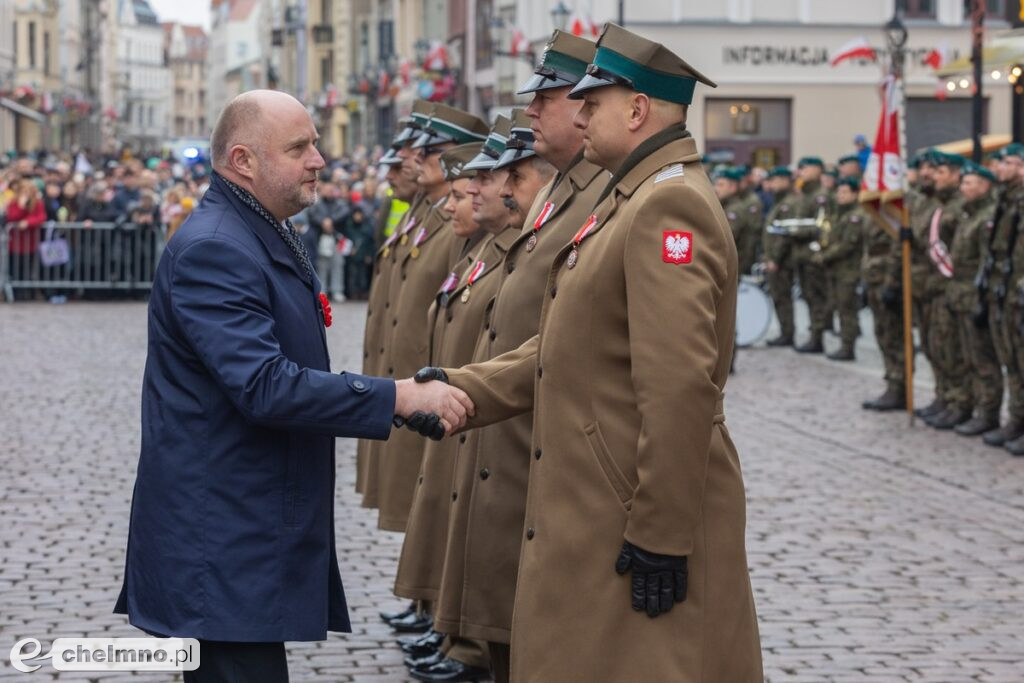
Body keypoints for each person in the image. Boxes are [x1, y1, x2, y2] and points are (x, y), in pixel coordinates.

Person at [416, 23, 762, 682]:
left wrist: (661, 532)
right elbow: (570, 345)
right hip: (597, 507)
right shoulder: (629, 199)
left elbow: (679, 387)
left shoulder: (668, 206)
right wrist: (464, 387)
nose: (576, 112)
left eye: (592, 102)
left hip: (627, 514)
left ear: (636, 110)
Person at [112, 90, 473, 683]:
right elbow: (264, 385)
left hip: (242, 528)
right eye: (299, 147)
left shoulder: (251, 228)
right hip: (222, 537)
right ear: (243, 160)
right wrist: (399, 397)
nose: (319, 160)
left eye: (314, 143)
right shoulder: (216, 248)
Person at [400, 136, 522, 682]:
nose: (463, 198)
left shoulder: (516, 241)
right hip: (465, 403)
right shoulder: (489, 244)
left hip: (496, 414)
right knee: (454, 519)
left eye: (481, 183)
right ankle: (450, 625)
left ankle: (466, 639)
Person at [950, 162, 1001, 436]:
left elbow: (985, 262)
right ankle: (974, 407)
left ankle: (989, 413)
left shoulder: (986, 217)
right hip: (961, 294)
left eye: (970, 183)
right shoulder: (968, 215)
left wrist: (982, 299)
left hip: (975, 296)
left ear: (985, 186)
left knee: (983, 359)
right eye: (964, 182)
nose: (964, 187)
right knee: (968, 355)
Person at [924, 153, 971, 429]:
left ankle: (962, 402)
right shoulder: (939, 205)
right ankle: (947, 397)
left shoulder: (958, 208)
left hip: (954, 288)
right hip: (934, 286)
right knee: (938, 346)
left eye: (940, 172)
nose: (934, 176)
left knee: (957, 350)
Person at [983, 144, 1024, 448]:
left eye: (1008, 163)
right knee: (1010, 357)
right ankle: (1016, 419)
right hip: (1005, 288)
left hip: (1018, 290)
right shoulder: (1005, 200)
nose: (1001, 168)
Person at [811, 176, 865, 360]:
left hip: (848, 270)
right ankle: (845, 343)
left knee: (847, 309)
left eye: (844, 192)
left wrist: (824, 256)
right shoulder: (839, 214)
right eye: (838, 192)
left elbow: (847, 245)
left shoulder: (855, 215)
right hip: (836, 269)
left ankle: (848, 346)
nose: (839, 196)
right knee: (839, 307)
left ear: (855, 194)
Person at [762, 166, 800, 346]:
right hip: (775, 259)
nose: (772, 184)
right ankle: (785, 331)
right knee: (778, 296)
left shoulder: (789, 203)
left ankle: (788, 332)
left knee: (783, 297)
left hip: (783, 261)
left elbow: (784, 234)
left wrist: (775, 259)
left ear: (785, 181)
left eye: (776, 180)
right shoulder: (779, 202)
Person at [714, 166, 761, 275]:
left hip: (730, 262)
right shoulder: (726, 206)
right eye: (716, 184)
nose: (716, 188)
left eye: (721, 185)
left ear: (732, 187)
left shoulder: (735, 209)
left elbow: (725, 237)